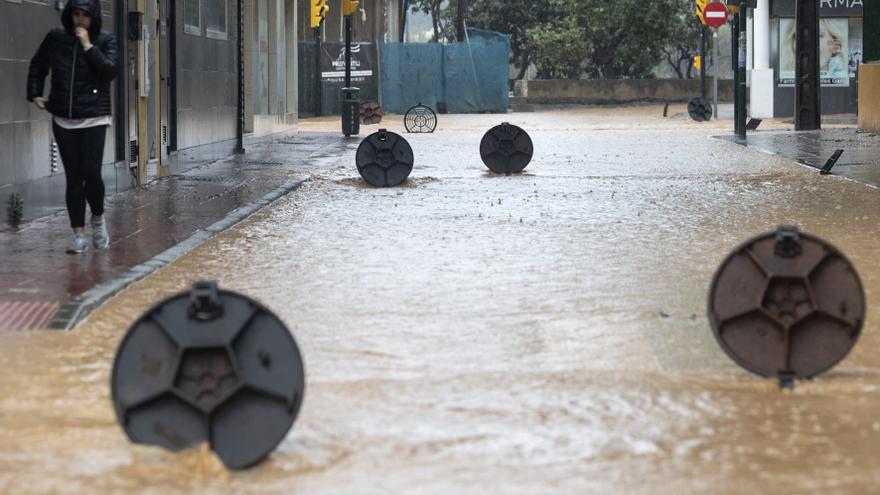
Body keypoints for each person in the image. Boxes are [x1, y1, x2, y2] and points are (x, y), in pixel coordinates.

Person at [27, 0, 118, 254]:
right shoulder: (56, 38)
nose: (80, 20)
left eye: (85, 16)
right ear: (69, 15)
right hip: (63, 118)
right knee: (74, 178)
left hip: (94, 117)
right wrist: (35, 93)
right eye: (76, 14)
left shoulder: (106, 40)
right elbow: (38, 64)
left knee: (92, 173)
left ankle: (98, 219)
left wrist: (88, 45)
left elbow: (109, 71)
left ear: (94, 18)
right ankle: (78, 234)